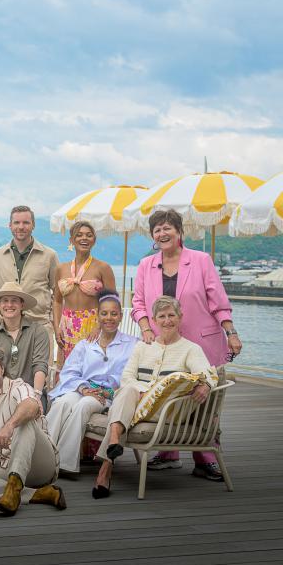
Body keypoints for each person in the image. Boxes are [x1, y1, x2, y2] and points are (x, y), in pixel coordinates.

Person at [132, 209, 242, 477]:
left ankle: (206, 458)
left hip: (201, 343)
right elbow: (138, 303)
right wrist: (146, 328)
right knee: (166, 394)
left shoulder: (201, 260)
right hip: (163, 345)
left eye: (167, 228)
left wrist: (231, 333)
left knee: (205, 399)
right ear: (152, 236)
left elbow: (219, 302)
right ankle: (167, 453)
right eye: (157, 229)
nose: (162, 233)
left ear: (179, 232)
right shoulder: (146, 265)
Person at [92, 296, 219, 497]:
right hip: (137, 406)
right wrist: (143, 392)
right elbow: (126, 377)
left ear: (180, 317)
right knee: (127, 391)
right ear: (153, 320)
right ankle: (108, 461)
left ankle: (110, 454)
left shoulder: (191, 349)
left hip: (167, 412)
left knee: (122, 404)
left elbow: (209, 373)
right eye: (162, 316)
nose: (167, 321)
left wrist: (206, 384)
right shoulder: (143, 346)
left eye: (171, 315)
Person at [0, 346, 66, 516]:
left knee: (25, 422)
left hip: (38, 464)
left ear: (2, 368)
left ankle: (15, 487)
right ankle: (37, 494)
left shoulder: (18, 386)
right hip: (1, 465)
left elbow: (31, 405)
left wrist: (9, 426)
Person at [46, 289, 137, 473]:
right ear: (97, 316)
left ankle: (63, 463)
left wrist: (105, 391)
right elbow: (69, 372)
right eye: (104, 313)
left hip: (109, 395)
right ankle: (42, 454)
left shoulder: (133, 344)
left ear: (121, 316)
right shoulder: (85, 344)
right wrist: (83, 388)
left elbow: (132, 376)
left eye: (114, 314)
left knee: (84, 405)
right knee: (62, 403)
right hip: (83, 389)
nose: (109, 318)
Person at [0, 205, 58, 363]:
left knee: (42, 374)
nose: (21, 227)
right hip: (6, 330)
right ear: (10, 225)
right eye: (16, 222)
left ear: (33, 225)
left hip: (41, 328)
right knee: (5, 374)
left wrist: (51, 321)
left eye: (26, 222)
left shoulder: (49, 255)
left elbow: (57, 293)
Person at [52, 221, 115, 366]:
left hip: (93, 326)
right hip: (67, 327)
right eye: (79, 235)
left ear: (94, 240)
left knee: (93, 369)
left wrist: (99, 327)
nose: (84, 238)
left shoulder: (103, 268)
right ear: (71, 240)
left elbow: (112, 302)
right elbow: (57, 301)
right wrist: (57, 327)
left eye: (89, 235)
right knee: (67, 371)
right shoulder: (61, 269)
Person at [0, 282, 50, 393]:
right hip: (2, 393)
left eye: (14, 300)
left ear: (22, 305)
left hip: (32, 391)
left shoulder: (38, 332)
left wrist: (36, 395)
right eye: (5, 301)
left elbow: (40, 366)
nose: (9, 305)